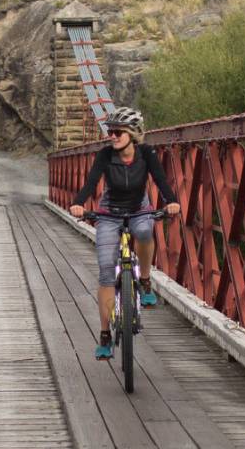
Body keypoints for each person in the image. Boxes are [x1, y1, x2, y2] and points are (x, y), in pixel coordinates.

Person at [68, 106, 180, 360]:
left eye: (118, 132)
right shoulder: (106, 155)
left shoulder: (146, 154)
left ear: (133, 134)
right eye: (110, 132)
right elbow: (91, 181)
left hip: (139, 209)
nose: (113, 136)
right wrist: (78, 202)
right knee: (107, 269)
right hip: (109, 213)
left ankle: (145, 280)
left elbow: (161, 181)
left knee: (144, 230)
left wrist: (171, 201)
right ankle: (105, 334)